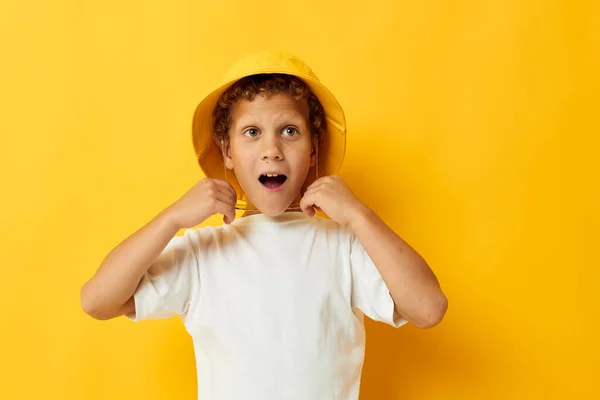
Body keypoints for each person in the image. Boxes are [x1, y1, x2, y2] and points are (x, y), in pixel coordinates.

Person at [80, 50, 448, 400]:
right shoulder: (201, 252)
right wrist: (171, 217)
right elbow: (97, 300)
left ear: (314, 150)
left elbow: (429, 309)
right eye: (252, 132)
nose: (271, 149)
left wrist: (359, 215)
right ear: (226, 151)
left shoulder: (344, 247)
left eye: (289, 131)